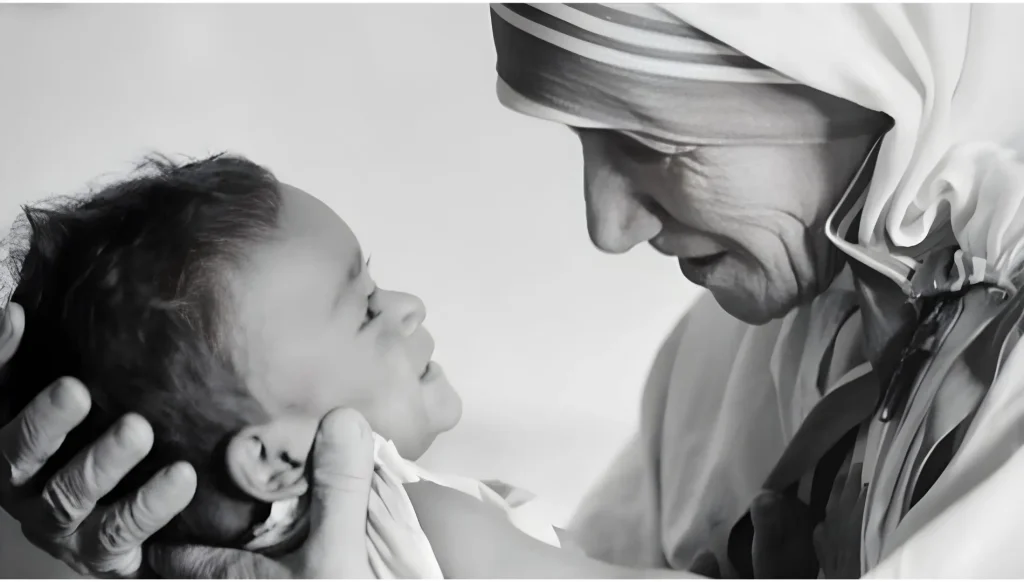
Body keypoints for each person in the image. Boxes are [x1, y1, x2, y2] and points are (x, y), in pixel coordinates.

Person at [5, 3, 1024, 578]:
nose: (606, 226)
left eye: (649, 142)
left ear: (866, 74)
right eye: (584, 143)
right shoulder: (720, 360)